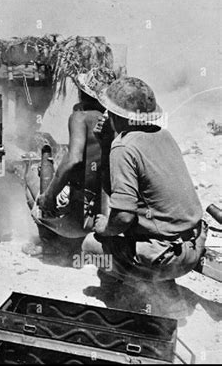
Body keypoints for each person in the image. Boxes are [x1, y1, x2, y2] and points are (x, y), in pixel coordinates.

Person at [81, 76, 206, 313]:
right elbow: (120, 194)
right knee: (134, 232)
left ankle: (158, 298)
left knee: (91, 245)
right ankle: (149, 285)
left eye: (109, 110)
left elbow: (123, 217)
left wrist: (104, 227)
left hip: (170, 257)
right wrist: (107, 143)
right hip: (194, 244)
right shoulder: (162, 135)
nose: (106, 116)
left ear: (118, 115)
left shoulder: (124, 146)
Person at [38, 67, 116, 216]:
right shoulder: (113, 121)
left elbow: (74, 160)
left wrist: (48, 196)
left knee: (32, 183)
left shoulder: (80, 117)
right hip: (103, 199)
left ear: (83, 93)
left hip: (81, 202)